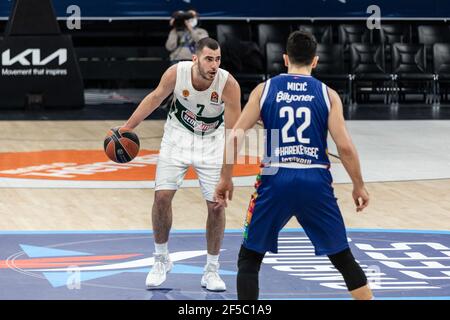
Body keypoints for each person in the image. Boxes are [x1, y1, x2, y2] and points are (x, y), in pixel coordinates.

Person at [214, 31, 374, 300]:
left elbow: (236, 136)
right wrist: (359, 185)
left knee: (250, 257)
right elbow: (344, 147)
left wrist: (225, 177)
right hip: (315, 180)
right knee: (342, 257)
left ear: (285, 59)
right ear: (315, 61)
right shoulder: (328, 94)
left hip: (276, 178)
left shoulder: (264, 90)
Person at [123, 37, 241, 291]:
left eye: (218, 59)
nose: (214, 65)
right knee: (162, 197)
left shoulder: (228, 84)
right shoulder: (177, 73)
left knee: (217, 206)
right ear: (195, 59)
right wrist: (127, 128)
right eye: (209, 59)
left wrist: (227, 174)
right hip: (177, 137)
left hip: (210, 143)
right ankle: (161, 259)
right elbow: (154, 98)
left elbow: (234, 132)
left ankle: (211, 270)